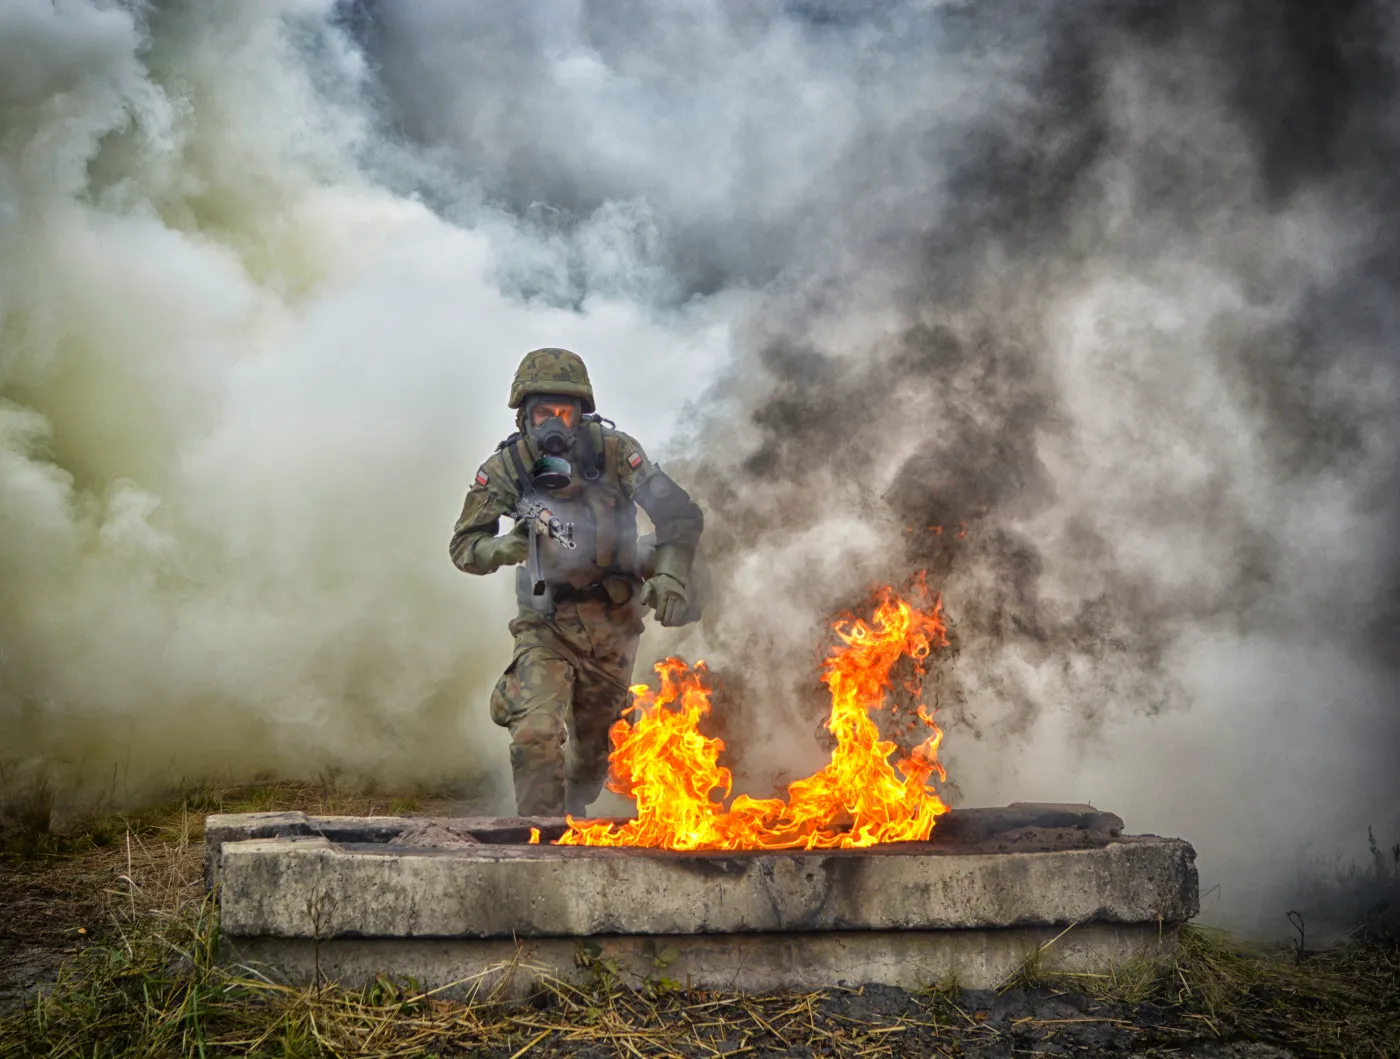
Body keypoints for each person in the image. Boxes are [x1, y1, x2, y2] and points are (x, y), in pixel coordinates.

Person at [449, 348, 705, 817]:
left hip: (614, 623)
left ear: (581, 413)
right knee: (535, 735)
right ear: (524, 416)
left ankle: (570, 814)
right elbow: (464, 547)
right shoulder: (507, 468)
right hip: (546, 624)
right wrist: (505, 548)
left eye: (564, 412)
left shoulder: (615, 451)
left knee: (590, 765)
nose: (554, 423)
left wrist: (669, 575)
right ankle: (538, 850)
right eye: (542, 412)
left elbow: (680, 516)